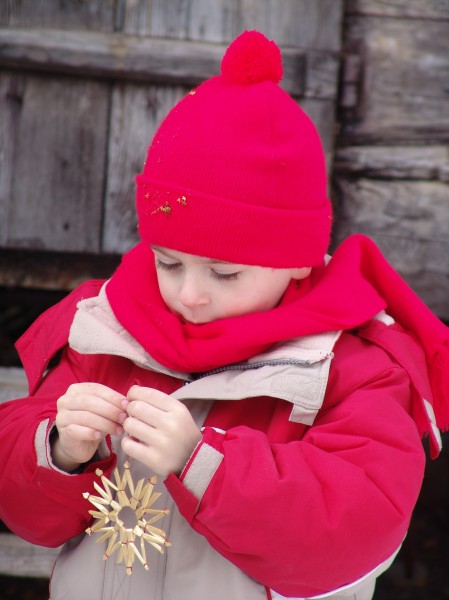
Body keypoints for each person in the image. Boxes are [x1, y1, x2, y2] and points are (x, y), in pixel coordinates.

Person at [1, 30, 448, 600]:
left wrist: (203, 465)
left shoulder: (355, 369)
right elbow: (23, 508)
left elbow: (355, 531)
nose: (190, 295)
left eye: (225, 273)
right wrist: (58, 451)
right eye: (168, 263)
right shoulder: (104, 329)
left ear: (296, 261)